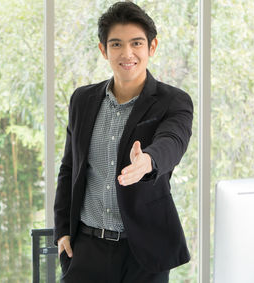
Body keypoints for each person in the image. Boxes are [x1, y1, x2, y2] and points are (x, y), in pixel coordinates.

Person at [53, 2, 193, 282]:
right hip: (87, 249)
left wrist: (148, 162)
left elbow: (173, 141)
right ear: (103, 50)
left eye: (136, 43)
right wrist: (63, 231)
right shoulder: (82, 100)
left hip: (143, 255)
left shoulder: (173, 101)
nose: (127, 53)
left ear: (152, 47)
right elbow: (70, 168)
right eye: (116, 44)